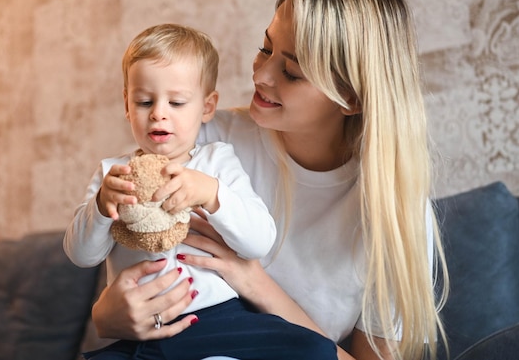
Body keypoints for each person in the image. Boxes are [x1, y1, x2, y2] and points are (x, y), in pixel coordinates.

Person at [89, 0, 449, 360]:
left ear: (350, 98)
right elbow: (128, 245)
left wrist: (254, 283)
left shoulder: (395, 214)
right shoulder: (208, 139)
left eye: (290, 72)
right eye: (265, 48)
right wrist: (106, 315)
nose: (260, 75)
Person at [63, 23, 338, 360]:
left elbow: (259, 242)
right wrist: (102, 208)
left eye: (177, 102)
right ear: (127, 104)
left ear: (207, 107)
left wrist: (211, 194)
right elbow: (80, 254)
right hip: (143, 330)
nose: (159, 113)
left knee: (316, 350)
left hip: (220, 319)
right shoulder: (112, 173)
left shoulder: (217, 160)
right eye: (144, 101)